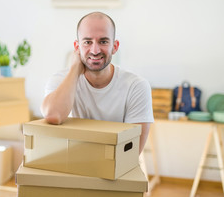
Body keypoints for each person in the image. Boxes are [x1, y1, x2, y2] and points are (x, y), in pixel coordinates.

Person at [41, 12, 154, 153]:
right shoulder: (59, 80)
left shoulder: (136, 86)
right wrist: (74, 70)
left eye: (103, 41)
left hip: (115, 170)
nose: (95, 50)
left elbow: (132, 152)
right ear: (77, 47)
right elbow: (53, 116)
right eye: (87, 42)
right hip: (71, 166)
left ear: (115, 46)